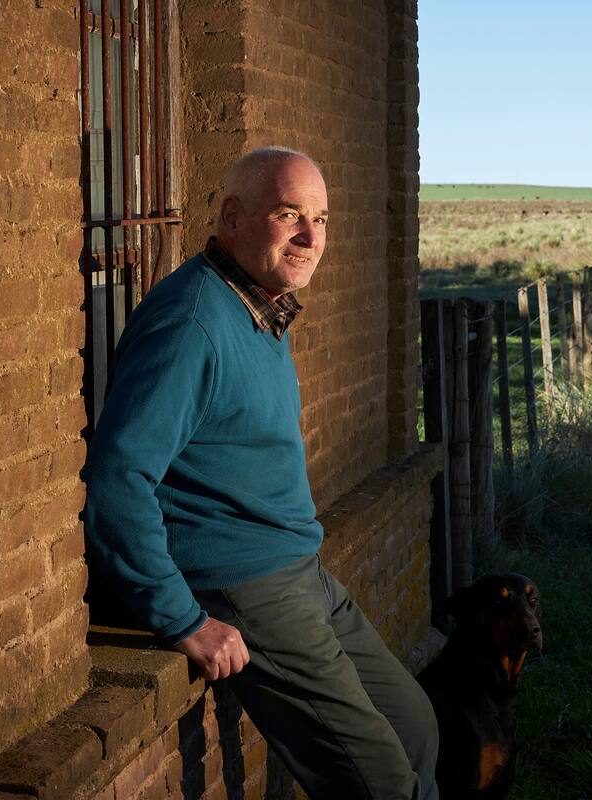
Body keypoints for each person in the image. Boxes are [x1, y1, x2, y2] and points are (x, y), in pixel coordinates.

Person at [83, 146, 439, 800]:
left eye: (320, 219)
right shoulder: (192, 322)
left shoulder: (260, 304)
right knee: (382, 784)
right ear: (232, 218)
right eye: (288, 215)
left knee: (415, 726)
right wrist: (183, 619)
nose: (311, 237)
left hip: (300, 569)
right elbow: (116, 481)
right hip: (243, 583)